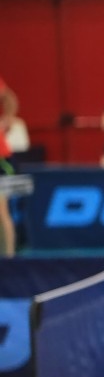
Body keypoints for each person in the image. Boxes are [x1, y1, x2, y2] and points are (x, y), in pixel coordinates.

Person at [0, 75, 19, 257]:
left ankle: (9, 258)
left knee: (1, 209)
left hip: (1, 159)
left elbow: (9, 98)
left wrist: (8, 120)